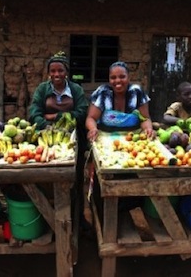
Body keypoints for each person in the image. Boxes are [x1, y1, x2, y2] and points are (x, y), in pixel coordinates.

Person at [28, 51, 89, 230]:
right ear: (48, 73)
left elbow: (82, 113)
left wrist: (55, 115)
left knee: (75, 180)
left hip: (73, 140)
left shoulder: (76, 90)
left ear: (66, 72)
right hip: (48, 140)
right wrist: (46, 124)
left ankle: (77, 219)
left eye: (60, 71)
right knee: (48, 179)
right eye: (53, 71)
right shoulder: (42, 89)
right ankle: (50, 218)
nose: (56, 75)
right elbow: (34, 114)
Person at [86, 61, 155, 142]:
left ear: (129, 78)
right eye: (113, 77)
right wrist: (93, 129)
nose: (118, 80)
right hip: (105, 139)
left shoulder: (136, 92)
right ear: (109, 79)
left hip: (133, 140)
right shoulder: (103, 92)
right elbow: (91, 118)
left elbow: (145, 119)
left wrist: (148, 129)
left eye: (122, 77)